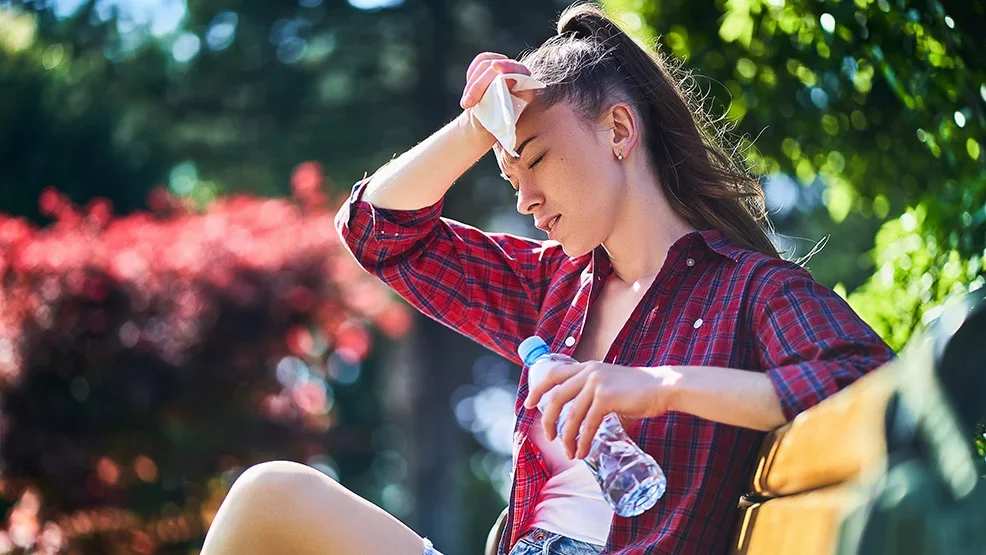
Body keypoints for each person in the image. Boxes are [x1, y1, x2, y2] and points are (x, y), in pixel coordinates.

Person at [200, 3, 896, 554]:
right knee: (269, 495)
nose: (525, 198)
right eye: (509, 174)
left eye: (536, 158)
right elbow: (378, 232)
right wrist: (477, 128)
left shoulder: (751, 292)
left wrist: (663, 387)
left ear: (620, 131)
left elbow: (873, 388)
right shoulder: (552, 287)